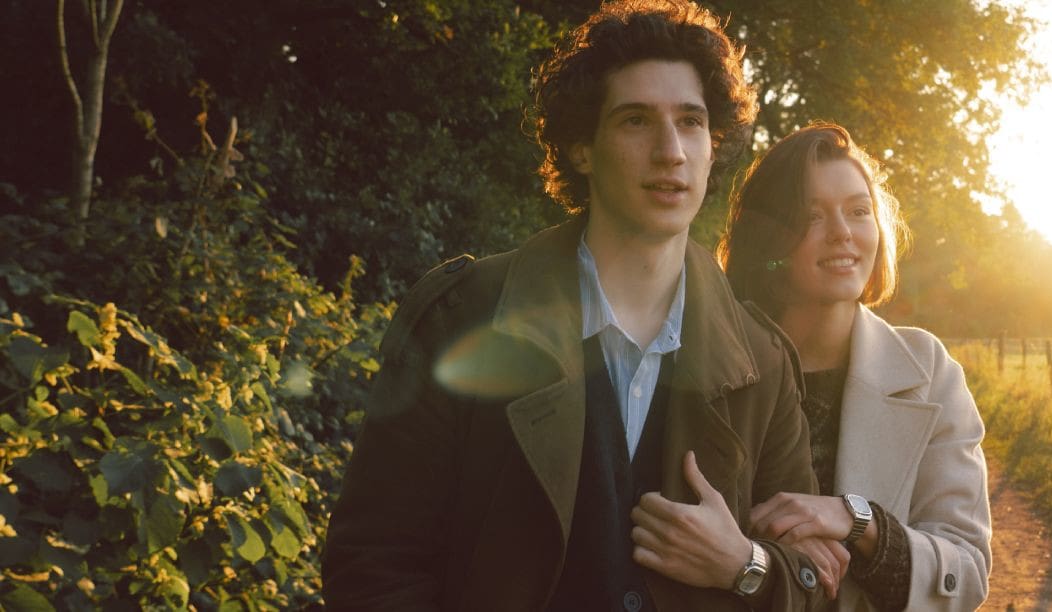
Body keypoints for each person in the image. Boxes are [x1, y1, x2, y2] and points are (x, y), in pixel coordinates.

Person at [321, 2, 842, 609]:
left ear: (713, 145)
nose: (671, 150)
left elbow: (812, 579)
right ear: (581, 149)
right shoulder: (463, 315)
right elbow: (375, 564)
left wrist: (744, 566)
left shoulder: (763, 361)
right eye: (635, 120)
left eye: (691, 121)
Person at [717, 123, 992, 611]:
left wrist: (858, 523)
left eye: (859, 211)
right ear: (769, 239)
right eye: (812, 216)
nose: (842, 232)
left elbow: (967, 573)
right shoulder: (711, 362)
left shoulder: (929, 371)